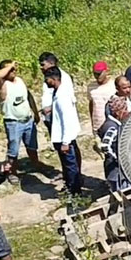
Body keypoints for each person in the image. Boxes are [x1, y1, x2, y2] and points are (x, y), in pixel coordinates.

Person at [0, 59, 46, 179]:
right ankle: (12, 172)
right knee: (13, 150)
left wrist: (35, 113)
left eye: (14, 68)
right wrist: (11, 65)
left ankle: (36, 164)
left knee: (32, 145)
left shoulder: (19, 81)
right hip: (13, 123)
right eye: (10, 69)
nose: (14, 70)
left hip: (27, 120)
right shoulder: (2, 85)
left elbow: (29, 96)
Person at [43, 65, 84, 195]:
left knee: (71, 167)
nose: (46, 82)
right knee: (68, 166)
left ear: (54, 79)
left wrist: (66, 142)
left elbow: (66, 120)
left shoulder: (61, 97)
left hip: (64, 138)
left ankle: (75, 192)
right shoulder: (59, 93)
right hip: (61, 137)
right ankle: (71, 188)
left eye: (47, 79)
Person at [98, 96, 131, 192]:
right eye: (125, 110)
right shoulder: (111, 127)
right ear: (117, 112)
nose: (127, 113)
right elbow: (105, 146)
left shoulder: (114, 124)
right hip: (116, 172)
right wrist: (118, 159)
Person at [88, 60, 115, 133]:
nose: (97, 76)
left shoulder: (113, 86)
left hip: (111, 126)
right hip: (97, 126)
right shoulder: (91, 87)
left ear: (106, 71)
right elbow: (91, 105)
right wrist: (93, 123)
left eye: (99, 74)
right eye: (95, 74)